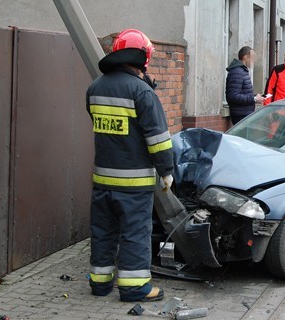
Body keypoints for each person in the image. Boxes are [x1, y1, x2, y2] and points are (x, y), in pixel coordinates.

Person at [86, 28, 173, 302]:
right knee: (135, 234)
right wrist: (167, 171)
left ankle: (100, 283)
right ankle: (135, 288)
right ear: (142, 57)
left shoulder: (94, 88)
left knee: (103, 232)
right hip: (134, 185)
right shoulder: (142, 92)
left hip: (102, 181)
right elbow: (158, 140)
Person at [226, 46, 264, 125]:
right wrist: (254, 98)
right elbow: (233, 96)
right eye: (252, 57)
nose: (253, 61)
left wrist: (255, 96)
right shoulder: (237, 72)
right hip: (240, 115)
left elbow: (242, 92)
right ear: (245, 57)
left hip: (244, 113)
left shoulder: (242, 71)